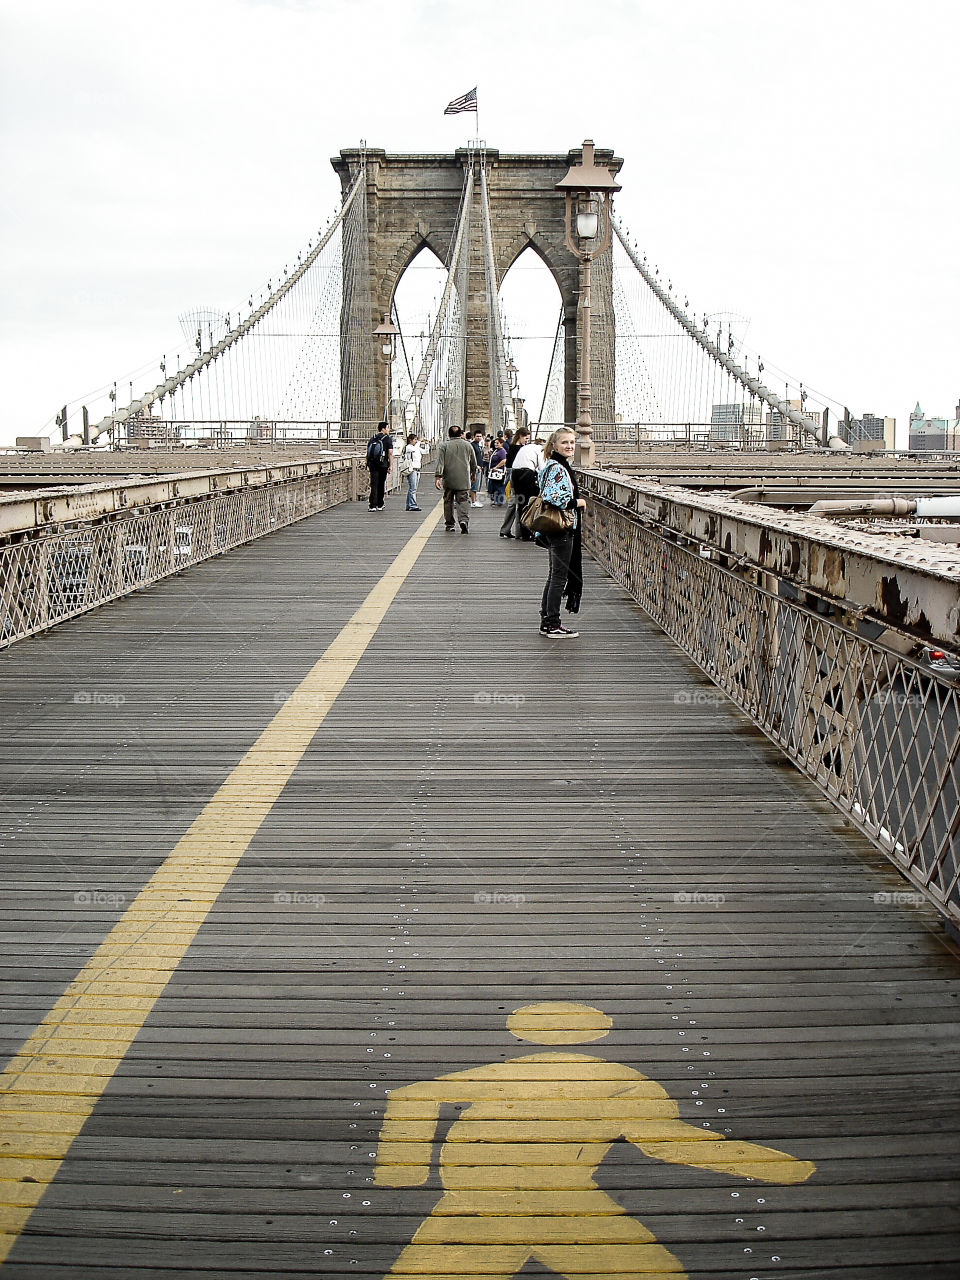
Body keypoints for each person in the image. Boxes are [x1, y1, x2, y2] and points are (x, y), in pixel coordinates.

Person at [374, 1000, 815, 1276]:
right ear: (600, 1032)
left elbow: (412, 1095)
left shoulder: (505, 1071)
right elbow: (665, 1141)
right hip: (560, 1199)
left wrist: (403, 1171)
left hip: (475, 1194)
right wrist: (779, 1167)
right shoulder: (624, 1081)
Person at [536, 427, 585, 638]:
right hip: (562, 528)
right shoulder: (558, 468)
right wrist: (578, 502)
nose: (569, 446)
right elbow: (554, 498)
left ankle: (547, 620)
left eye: (572, 442)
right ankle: (552, 624)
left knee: (554, 575)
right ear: (554, 445)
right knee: (559, 577)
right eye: (565, 442)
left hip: (554, 528)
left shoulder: (552, 465)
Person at [434, 425, 477, 534]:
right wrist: (473, 473)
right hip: (464, 479)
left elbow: (440, 463)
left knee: (448, 501)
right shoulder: (468, 445)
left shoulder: (444, 446)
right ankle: (463, 520)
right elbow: (473, 461)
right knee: (463, 501)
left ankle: (450, 524)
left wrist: (438, 477)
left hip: (449, 479)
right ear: (461, 434)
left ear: (449, 434)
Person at [502, 432, 543, 540]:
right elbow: (542, 468)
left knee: (521, 502)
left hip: (515, 473)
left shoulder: (527, 447)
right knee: (529, 503)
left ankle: (521, 532)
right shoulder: (540, 449)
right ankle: (526, 532)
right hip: (526, 473)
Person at [498, 426, 531, 538]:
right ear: (521, 436)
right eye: (526, 438)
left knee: (514, 503)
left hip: (513, 475)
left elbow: (508, 464)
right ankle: (518, 531)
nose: (526, 441)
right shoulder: (519, 449)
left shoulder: (512, 446)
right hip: (519, 476)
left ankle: (506, 529)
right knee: (519, 502)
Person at [365, 419, 393, 511]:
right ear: (383, 429)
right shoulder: (387, 439)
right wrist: (390, 465)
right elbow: (390, 453)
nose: (389, 429)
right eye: (388, 428)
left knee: (374, 484)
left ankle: (372, 505)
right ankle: (380, 504)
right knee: (381, 484)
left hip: (373, 464)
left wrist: (368, 463)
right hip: (383, 464)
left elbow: (368, 451)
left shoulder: (373, 438)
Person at [400, 432, 423, 511]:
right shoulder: (408, 447)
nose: (416, 441)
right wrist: (420, 441)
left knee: (413, 488)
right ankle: (413, 505)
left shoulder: (416, 447)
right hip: (412, 469)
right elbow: (414, 449)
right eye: (415, 439)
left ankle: (408, 505)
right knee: (413, 488)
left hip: (417, 468)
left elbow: (425, 451)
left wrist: (426, 444)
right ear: (410, 440)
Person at [486, 439, 507, 506]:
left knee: (499, 487)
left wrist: (496, 467)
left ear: (501, 444)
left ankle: (499, 501)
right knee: (494, 486)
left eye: (497, 443)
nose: (495, 444)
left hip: (498, 472)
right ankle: (495, 500)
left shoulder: (502, 451)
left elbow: (504, 460)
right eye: (495, 443)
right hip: (493, 472)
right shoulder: (496, 450)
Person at [469, 430, 485, 508]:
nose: (479, 438)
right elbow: (471, 457)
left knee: (476, 485)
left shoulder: (478, 445)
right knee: (474, 485)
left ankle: (474, 500)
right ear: (473, 437)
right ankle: (473, 501)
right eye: (477, 436)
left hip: (479, 468)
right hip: (475, 468)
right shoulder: (472, 445)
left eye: (480, 436)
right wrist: (475, 466)